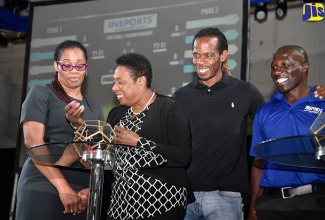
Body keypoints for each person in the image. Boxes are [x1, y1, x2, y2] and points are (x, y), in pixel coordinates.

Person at [172, 27, 265, 220]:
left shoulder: (245, 91)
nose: (200, 62)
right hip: (184, 197)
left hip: (226, 198)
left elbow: (271, 122)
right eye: (197, 55)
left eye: (208, 55)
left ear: (223, 55)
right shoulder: (180, 97)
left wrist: (312, 95)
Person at [15, 40, 104, 220]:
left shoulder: (95, 108)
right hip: (44, 180)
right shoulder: (41, 93)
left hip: (81, 190)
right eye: (67, 65)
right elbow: (33, 143)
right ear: (56, 66)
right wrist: (64, 188)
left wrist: (91, 191)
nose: (74, 71)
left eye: (79, 65)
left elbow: (94, 158)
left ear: (86, 69)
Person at [105, 53, 193, 220]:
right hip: (120, 206)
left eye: (120, 82)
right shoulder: (116, 114)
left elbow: (183, 156)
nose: (114, 87)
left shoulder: (169, 108)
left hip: (160, 204)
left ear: (141, 82)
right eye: (114, 82)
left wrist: (138, 142)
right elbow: (108, 161)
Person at [248, 45, 325, 220]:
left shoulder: (322, 103)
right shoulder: (265, 111)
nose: (277, 71)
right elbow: (258, 162)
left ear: (304, 67)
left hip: (315, 203)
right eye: (274, 67)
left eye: (285, 65)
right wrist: (253, 207)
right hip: (271, 204)